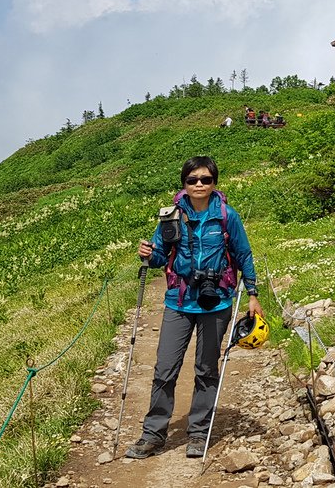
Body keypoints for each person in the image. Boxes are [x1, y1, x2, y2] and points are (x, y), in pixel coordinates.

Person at [126, 156, 264, 459]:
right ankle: (152, 435)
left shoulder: (228, 216)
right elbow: (160, 256)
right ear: (184, 184)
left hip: (217, 303)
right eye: (192, 180)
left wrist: (252, 293)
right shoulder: (170, 217)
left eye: (205, 179)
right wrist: (147, 255)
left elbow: (244, 255)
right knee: (165, 368)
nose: (199, 184)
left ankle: (199, 435)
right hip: (179, 301)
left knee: (206, 370)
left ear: (214, 182)